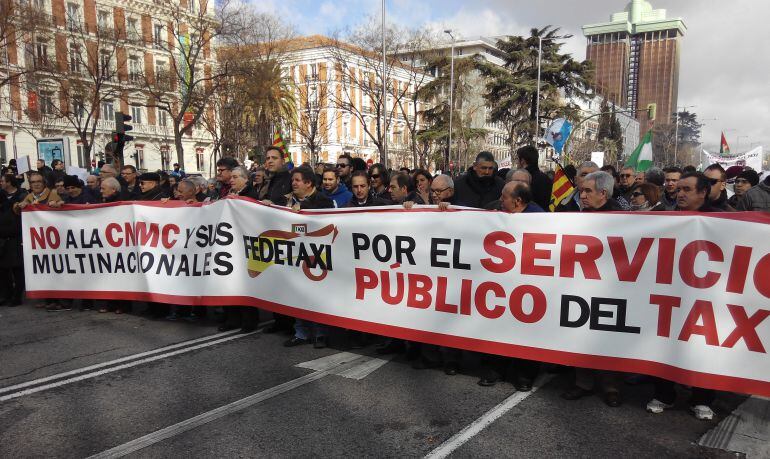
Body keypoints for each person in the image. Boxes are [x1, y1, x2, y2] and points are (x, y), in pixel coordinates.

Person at [646, 171, 719, 420]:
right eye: (679, 190)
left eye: (687, 189)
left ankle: (702, 398)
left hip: (706, 296)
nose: (680, 194)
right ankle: (664, 394)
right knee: (665, 343)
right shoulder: (667, 218)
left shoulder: (723, 220)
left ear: (703, 192)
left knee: (702, 347)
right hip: (670, 293)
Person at [562, 170, 624, 407]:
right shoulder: (579, 216)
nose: (582, 195)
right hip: (583, 286)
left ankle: (611, 386)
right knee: (582, 335)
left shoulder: (626, 219)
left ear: (604, 193)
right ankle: (583, 382)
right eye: (582, 190)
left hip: (612, 289)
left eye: (588, 191)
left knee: (609, 337)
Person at [282, 166, 335, 349]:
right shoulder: (287, 200)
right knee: (298, 293)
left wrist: (303, 209)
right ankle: (301, 333)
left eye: (297, 180)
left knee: (317, 295)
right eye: (293, 180)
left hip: (317, 256)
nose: (293, 183)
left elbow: (325, 223)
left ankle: (321, 333)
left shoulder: (324, 201)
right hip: (295, 254)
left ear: (308, 183)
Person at [15, 172, 64, 310]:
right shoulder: (29, 197)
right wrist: (20, 205)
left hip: (53, 239)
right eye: (33, 182)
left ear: (44, 183)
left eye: (39, 182)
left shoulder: (51, 194)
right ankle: (47, 298)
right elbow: (18, 209)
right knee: (44, 269)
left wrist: (58, 204)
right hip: (38, 241)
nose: (36, 184)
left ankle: (58, 299)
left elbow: (63, 206)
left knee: (55, 268)